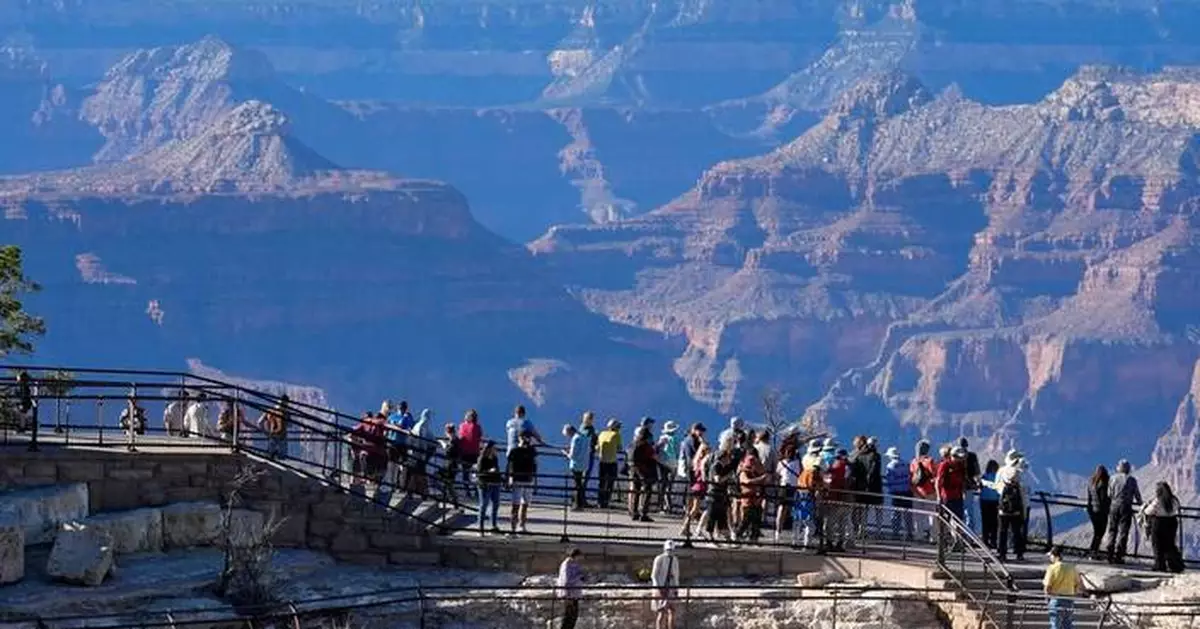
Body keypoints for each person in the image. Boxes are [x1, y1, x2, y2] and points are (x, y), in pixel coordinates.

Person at [985, 450, 1029, 562]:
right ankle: (1019, 553)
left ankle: (1002, 553)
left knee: (1002, 530)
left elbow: (996, 487)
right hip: (1016, 507)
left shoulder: (1001, 471)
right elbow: (1025, 490)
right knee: (1017, 530)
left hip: (1003, 506)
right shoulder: (1019, 472)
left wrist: (985, 483)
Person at [1140, 481, 1184, 573]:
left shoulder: (1158, 500)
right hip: (1172, 522)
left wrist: (1147, 506)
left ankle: (1160, 565)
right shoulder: (1174, 499)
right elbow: (1177, 508)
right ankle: (1175, 565)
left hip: (1159, 523)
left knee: (1157, 545)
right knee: (1170, 544)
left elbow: (1148, 511)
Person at [1105, 459, 1142, 564]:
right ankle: (1119, 556)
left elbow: (1109, 494)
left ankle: (1109, 553)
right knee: (1123, 531)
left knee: (1112, 529)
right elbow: (1137, 496)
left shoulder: (1112, 478)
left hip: (1114, 506)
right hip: (1126, 507)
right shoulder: (1132, 480)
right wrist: (1141, 505)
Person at [1043, 545, 1083, 629]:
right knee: (1068, 623)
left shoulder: (1052, 568)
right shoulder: (1072, 567)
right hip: (1069, 599)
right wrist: (1074, 593)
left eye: (1051, 556)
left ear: (1055, 556)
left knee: (1055, 624)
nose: (1050, 558)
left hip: (1056, 598)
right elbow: (1078, 583)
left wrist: (1047, 598)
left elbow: (1047, 586)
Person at [704, 443, 736, 544]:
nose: (729, 459)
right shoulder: (716, 466)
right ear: (723, 457)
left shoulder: (724, 467)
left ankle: (726, 537)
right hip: (714, 494)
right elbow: (717, 479)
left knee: (722, 516)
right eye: (728, 457)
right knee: (712, 516)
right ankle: (710, 537)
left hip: (721, 495)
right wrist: (728, 476)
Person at [736, 447, 770, 543]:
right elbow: (746, 481)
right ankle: (738, 535)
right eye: (750, 460)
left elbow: (765, 479)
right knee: (746, 519)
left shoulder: (757, 469)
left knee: (757, 519)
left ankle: (754, 538)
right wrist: (760, 479)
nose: (752, 461)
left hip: (757, 498)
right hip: (747, 498)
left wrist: (763, 476)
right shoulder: (744, 470)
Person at [506, 433, 538, 534]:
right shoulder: (514, 451)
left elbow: (534, 465)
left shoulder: (532, 451)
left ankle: (522, 526)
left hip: (528, 479)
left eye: (528, 438)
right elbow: (511, 465)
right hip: (518, 479)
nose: (527, 440)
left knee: (525, 504)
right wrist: (510, 478)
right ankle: (513, 528)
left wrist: (535, 479)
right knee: (515, 505)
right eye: (525, 438)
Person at [793, 455, 825, 552]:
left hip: (799, 497)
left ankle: (794, 542)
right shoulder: (814, 474)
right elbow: (812, 486)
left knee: (797, 521)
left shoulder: (805, 472)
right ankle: (806, 544)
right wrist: (819, 488)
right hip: (807, 500)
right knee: (810, 524)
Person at [680, 441, 710, 539]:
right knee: (695, 509)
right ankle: (685, 528)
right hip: (700, 486)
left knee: (693, 508)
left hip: (694, 486)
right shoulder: (704, 461)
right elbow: (703, 475)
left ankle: (685, 528)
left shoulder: (695, 460)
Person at [629, 427, 659, 522]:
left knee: (636, 491)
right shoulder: (645, 445)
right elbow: (653, 456)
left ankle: (634, 512)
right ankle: (643, 513)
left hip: (633, 470)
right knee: (647, 491)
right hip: (644, 471)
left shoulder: (633, 444)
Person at [884, 446, 913, 540]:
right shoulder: (906, 463)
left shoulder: (890, 466)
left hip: (896, 492)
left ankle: (895, 533)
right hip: (907, 491)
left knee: (896, 514)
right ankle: (909, 533)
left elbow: (890, 480)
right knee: (907, 514)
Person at [909, 439, 937, 539]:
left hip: (917, 492)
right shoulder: (930, 461)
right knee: (932, 515)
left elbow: (912, 477)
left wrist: (913, 490)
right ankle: (933, 537)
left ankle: (918, 535)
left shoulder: (914, 461)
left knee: (917, 515)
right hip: (929, 492)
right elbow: (935, 475)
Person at [651, 540, 681, 629]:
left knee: (672, 611)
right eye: (668, 550)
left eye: (671, 550)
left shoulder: (675, 560)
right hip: (661, 587)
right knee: (661, 612)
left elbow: (676, 574)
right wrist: (658, 588)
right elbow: (654, 575)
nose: (669, 552)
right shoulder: (659, 559)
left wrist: (676, 588)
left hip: (671, 587)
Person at [775, 439, 801, 542]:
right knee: (789, 510)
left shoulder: (782, 463)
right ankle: (791, 533)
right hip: (791, 487)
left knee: (783, 509)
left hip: (785, 486)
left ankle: (779, 532)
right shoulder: (798, 463)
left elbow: (777, 474)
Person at [475, 441, 503, 535]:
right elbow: (479, 472)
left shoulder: (495, 458)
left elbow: (497, 469)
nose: (496, 450)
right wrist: (489, 471)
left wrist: (501, 479)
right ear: (490, 449)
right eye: (495, 448)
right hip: (485, 484)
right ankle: (480, 528)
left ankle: (493, 526)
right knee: (483, 505)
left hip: (495, 483)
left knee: (496, 504)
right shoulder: (482, 458)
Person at [936, 445, 968, 522]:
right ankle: (945, 533)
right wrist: (939, 496)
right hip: (947, 497)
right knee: (946, 518)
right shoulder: (945, 465)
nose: (959, 459)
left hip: (958, 497)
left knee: (959, 519)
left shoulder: (961, 465)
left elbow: (963, 479)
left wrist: (963, 491)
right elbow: (938, 481)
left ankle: (957, 533)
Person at [596, 419, 623, 509]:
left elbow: (598, 447)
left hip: (602, 461)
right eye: (619, 426)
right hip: (612, 462)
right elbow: (619, 448)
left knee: (602, 482)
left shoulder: (602, 434)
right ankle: (606, 502)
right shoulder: (616, 435)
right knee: (610, 483)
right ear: (616, 428)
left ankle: (599, 501)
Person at [1086, 465, 1110, 558]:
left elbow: (1089, 498)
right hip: (1101, 512)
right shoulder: (1103, 484)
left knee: (1097, 532)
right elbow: (1104, 499)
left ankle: (1093, 551)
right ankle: (1093, 551)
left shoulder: (1091, 482)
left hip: (1092, 510)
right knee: (1100, 532)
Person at [556, 547, 584, 629]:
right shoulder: (567, 564)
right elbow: (566, 580)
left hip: (575, 594)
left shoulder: (575, 564)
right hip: (569, 595)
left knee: (573, 617)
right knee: (568, 618)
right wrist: (578, 577)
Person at [657, 421, 681, 514]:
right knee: (669, 486)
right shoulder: (675, 439)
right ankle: (668, 505)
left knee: (662, 485)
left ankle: (662, 505)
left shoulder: (661, 438)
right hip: (672, 463)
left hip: (662, 463)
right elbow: (676, 451)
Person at [564, 424, 589, 510]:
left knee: (576, 485)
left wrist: (566, 453)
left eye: (567, 434)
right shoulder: (584, 437)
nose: (568, 436)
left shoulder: (575, 439)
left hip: (576, 465)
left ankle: (577, 505)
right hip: (584, 464)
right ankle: (580, 503)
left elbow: (573, 456)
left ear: (570, 432)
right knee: (579, 484)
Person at [960, 437, 982, 534]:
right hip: (969, 487)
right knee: (969, 512)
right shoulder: (972, 456)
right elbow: (977, 472)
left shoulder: (955, 456)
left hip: (957, 488)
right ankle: (970, 535)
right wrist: (978, 484)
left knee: (960, 512)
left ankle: (960, 534)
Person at [257, 394, 289, 460]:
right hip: (282, 438)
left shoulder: (270, 411)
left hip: (272, 436)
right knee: (281, 459)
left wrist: (266, 433)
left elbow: (259, 422)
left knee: (270, 457)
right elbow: (289, 425)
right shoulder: (286, 413)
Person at [458, 409, 483, 490]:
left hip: (464, 453)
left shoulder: (462, 426)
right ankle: (476, 490)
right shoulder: (478, 427)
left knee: (465, 473)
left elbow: (460, 437)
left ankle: (467, 490)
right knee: (475, 473)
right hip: (475, 453)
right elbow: (479, 437)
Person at [438, 423, 461, 504]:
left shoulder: (453, 441)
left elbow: (448, 451)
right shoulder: (457, 440)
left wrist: (443, 444)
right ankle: (453, 499)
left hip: (450, 465)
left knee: (441, 479)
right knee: (449, 483)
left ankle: (452, 497)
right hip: (453, 465)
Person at [980, 459, 1001, 549]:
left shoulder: (984, 476)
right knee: (994, 522)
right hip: (994, 501)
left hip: (984, 500)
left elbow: (980, 487)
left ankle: (985, 540)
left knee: (985, 522)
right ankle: (993, 541)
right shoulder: (998, 476)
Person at [579, 411, 599, 503]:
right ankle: (581, 499)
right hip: (587, 456)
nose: (591, 420)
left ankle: (580, 498)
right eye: (590, 418)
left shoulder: (581, 428)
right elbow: (590, 442)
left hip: (583, 455)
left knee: (583, 478)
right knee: (584, 478)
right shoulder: (590, 429)